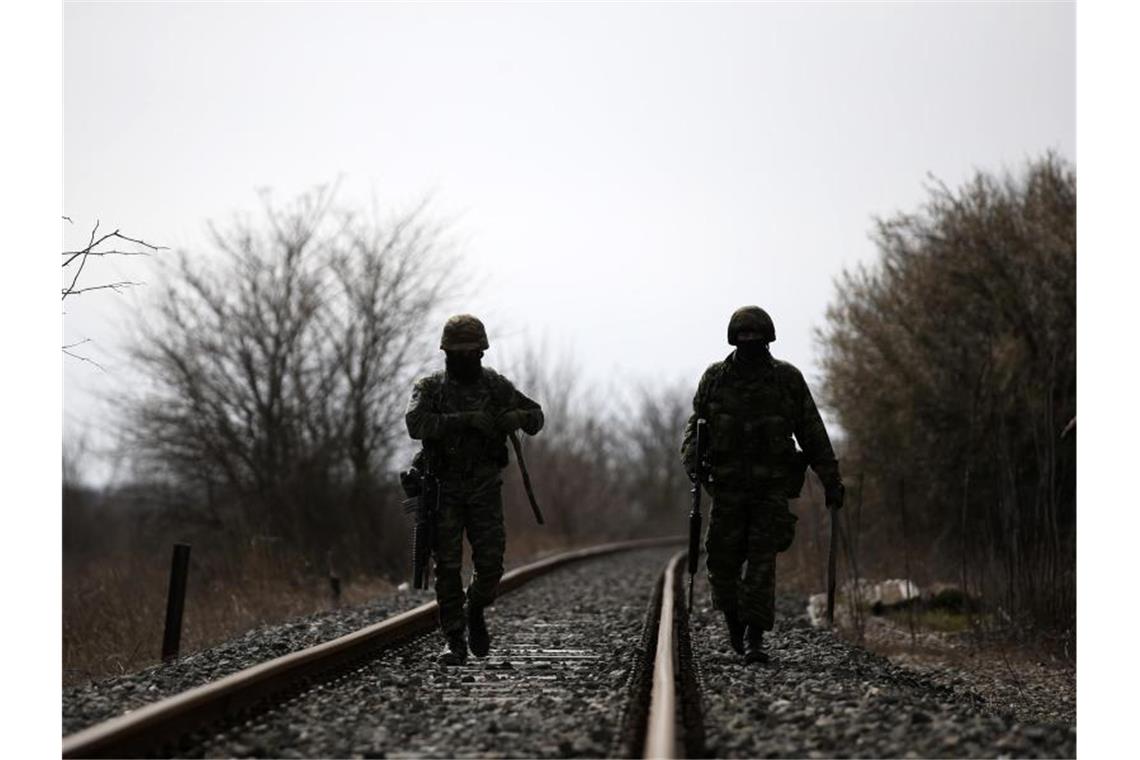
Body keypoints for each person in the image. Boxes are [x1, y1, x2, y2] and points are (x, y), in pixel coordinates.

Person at [681, 306, 844, 664]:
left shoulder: (786, 380)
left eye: (756, 336)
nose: (750, 342)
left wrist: (830, 479)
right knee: (721, 566)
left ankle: (755, 638)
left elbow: (812, 432)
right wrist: (693, 460)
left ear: (768, 338)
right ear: (734, 339)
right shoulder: (715, 379)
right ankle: (735, 621)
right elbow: (698, 426)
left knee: (760, 565)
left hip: (770, 491)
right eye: (744, 337)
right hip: (727, 491)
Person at [405, 314, 544, 665]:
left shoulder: (495, 386)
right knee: (447, 568)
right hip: (444, 488)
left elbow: (536, 416)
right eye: (459, 352)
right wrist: (464, 421)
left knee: (491, 566)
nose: (467, 358)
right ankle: (454, 639)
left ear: (482, 352)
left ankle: (475, 608)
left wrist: (516, 418)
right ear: (447, 353)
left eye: (473, 352)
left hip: (484, 489)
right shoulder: (431, 387)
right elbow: (415, 424)